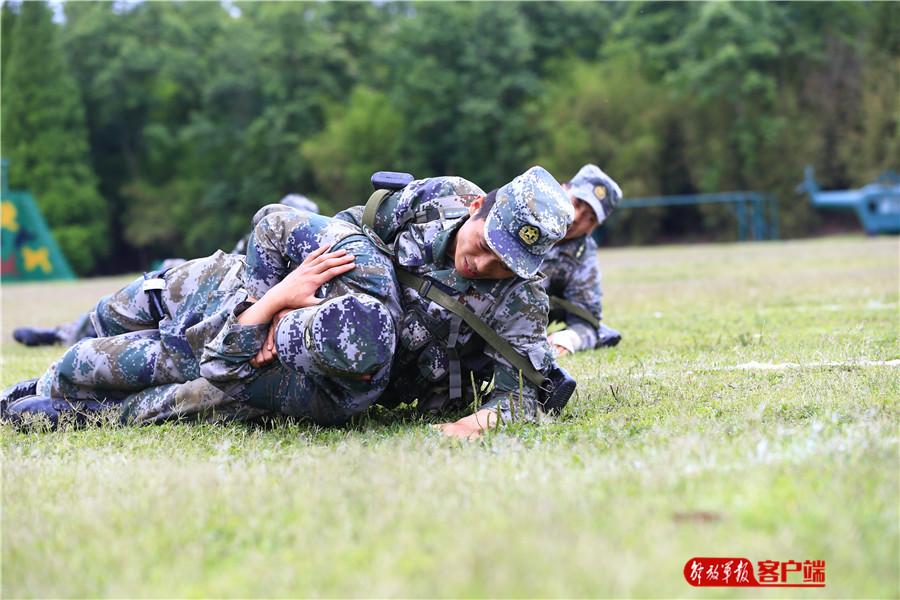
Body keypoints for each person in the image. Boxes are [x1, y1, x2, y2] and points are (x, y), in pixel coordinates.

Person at [2, 210, 402, 427]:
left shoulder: (338, 398)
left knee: (178, 401)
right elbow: (271, 220)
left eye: (289, 343)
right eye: (293, 326)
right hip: (204, 301)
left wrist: (267, 311)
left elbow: (221, 370)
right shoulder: (357, 267)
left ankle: (79, 416)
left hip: (234, 370)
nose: (277, 336)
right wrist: (271, 299)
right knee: (81, 355)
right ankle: (38, 382)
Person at [333, 165, 574, 439]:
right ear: (477, 206)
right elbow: (345, 231)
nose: (481, 265)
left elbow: (518, 399)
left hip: (376, 386)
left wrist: (466, 427)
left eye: (505, 265)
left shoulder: (523, 297)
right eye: (485, 244)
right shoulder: (440, 197)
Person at [10, 194, 319, 348]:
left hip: (223, 328)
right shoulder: (254, 242)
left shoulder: (312, 262)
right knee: (149, 288)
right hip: (210, 296)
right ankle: (64, 333)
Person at [543, 164, 623, 357]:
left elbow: (587, 322)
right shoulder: (519, 211)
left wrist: (569, 339)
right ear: (562, 189)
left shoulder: (582, 258)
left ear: (593, 228)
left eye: (591, 217)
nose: (578, 217)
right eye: (577, 203)